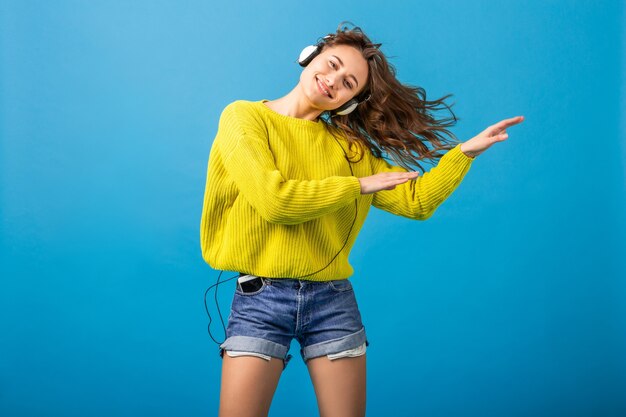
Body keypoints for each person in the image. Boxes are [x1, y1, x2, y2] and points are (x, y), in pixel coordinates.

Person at [200, 21, 524, 417]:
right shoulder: (244, 118)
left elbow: (415, 201)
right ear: (311, 55)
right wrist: (357, 184)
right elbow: (275, 201)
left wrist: (465, 154)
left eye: (349, 82)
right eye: (332, 64)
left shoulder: (347, 147)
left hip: (332, 300)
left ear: (349, 102)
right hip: (261, 297)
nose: (333, 80)